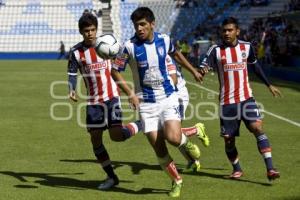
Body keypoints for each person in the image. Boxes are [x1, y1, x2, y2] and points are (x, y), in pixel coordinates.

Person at [112, 7, 203, 197]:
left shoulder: (165, 40)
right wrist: (130, 93)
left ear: (152, 24)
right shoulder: (129, 47)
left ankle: (185, 142)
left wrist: (193, 70)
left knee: (173, 138)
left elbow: (176, 54)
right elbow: (114, 70)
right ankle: (176, 180)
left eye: (143, 24)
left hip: (168, 97)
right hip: (146, 104)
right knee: (159, 147)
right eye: (136, 25)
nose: (139, 28)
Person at [200, 17, 281, 181]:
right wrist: (203, 70)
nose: (227, 33)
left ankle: (271, 168)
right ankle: (237, 169)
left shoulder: (246, 47)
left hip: (246, 98)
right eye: (224, 30)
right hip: (227, 103)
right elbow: (204, 65)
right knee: (229, 140)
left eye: (230, 30)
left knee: (257, 127)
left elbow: (255, 66)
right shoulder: (215, 50)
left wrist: (268, 85)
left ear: (237, 31)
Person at [67, 13, 142, 190]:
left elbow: (120, 66)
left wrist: (130, 92)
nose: (90, 34)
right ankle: (111, 177)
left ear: (96, 29)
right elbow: (71, 74)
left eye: (93, 30)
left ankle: (140, 124)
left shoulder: (107, 45)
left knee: (116, 136)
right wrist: (71, 89)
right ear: (81, 32)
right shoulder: (76, 53)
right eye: (86, 31)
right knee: (95, 140)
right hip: (94, 103)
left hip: (112, 98)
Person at [165, 55, 210, 172]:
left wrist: (194, 72)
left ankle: (196, 130)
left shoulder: (163, 44)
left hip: (177, 94)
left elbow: (178, 56)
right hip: (166, 95)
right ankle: (192, 161)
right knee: (171, 133)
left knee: (172, 133)